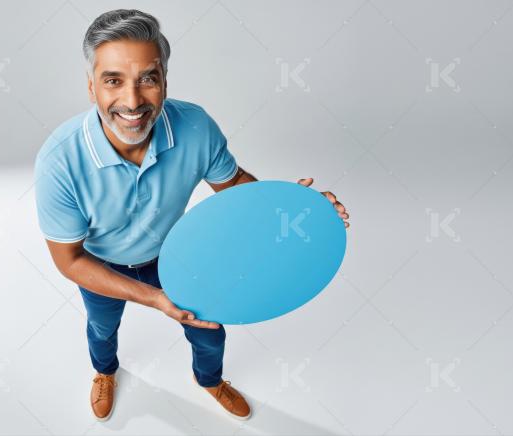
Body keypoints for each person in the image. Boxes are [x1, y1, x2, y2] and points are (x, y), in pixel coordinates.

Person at [34, 9, 350, 422]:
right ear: (92, 87)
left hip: (181, 254)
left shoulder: (195, 126)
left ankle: (210, 380)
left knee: (211, 331)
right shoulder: (59, 162)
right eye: (113, 80)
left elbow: (234, 184)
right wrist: (154, 299)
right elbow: (69, 259)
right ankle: (105, 371)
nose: (132, 101)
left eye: (148, 78)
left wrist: (295, 207)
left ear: (165, 79)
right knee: (101, 328)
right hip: (102, 264)